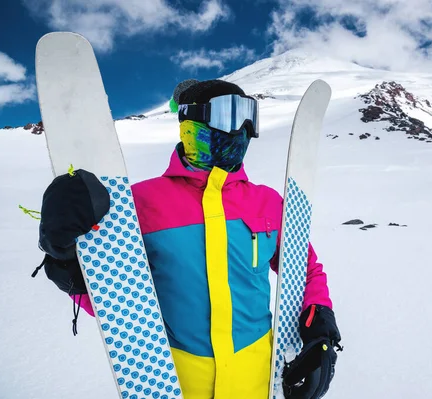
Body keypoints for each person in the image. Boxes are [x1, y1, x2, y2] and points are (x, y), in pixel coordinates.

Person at [35, 79, 342, 399]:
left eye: (250, 115)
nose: (243, 128)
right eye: (229, 113)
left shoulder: (266, 202)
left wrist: (319, 320)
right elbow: (114, 302)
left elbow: (304, 269)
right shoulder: (138, 203)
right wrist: (66, 260)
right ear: (189, 122)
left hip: (259, 380)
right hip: (173, 382)